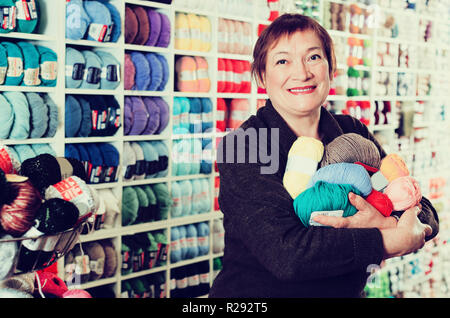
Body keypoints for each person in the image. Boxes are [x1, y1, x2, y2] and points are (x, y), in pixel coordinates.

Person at [208, 13, 439, 298]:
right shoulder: (245, 145)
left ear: (331, 69)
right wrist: (388, 239)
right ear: (262, 76)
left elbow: (423, 208)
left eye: (313, 57)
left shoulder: (351, 131)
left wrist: (386, 222)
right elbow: (287, 255)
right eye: (282, 61)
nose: (302, 73)